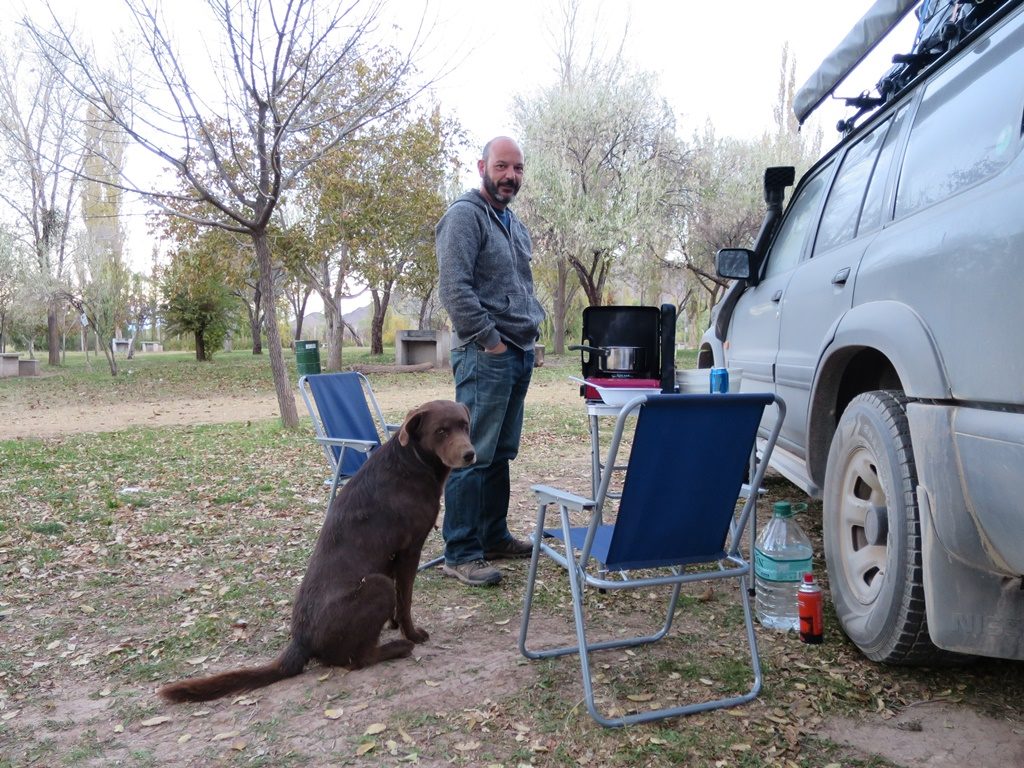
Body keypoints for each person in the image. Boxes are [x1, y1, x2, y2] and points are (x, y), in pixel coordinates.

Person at [435, 136, 545, 587]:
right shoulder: (464, 216)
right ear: (482, 166)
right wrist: (492, 342)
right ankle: (460, 551)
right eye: (502, 167)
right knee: (470, 455)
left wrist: (528, 340)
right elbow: (455, 290)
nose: (510, 177)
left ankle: (493, 536)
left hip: (517, 354)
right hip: (487, 355)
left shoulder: (512, 222)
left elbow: (521, 285)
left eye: (517, 169)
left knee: (500, 453)